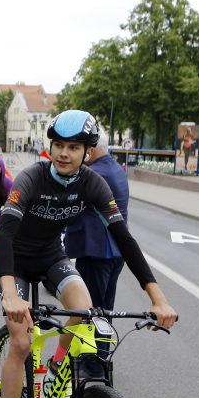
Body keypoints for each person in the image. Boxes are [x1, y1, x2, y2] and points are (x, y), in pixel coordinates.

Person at [0, 110, 177, 398]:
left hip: (50, 255)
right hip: (16, 258)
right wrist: (9, 294)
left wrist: (157, 297)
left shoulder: (94, 184)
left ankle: (58, 368)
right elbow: (5, 233)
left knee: (84, 309)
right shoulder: (31, 178)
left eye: (73, 147)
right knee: (20, 341)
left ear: (87, 151)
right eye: (58, 145)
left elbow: (123, 238)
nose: (63, 153)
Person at [63, 132, 130, 375]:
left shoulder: (96, 174)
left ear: (91, 150)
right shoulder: (115, 168)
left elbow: (68, 198)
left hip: (97, 250)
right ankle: (100, 359)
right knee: (103, 307)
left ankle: (95, 365)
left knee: (92, 309)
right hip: (112, 251)